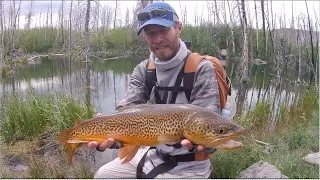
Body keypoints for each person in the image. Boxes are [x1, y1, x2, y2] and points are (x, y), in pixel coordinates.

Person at [88, 2, 221, 178]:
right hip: (151, 154)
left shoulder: (201, 68)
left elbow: (211, 129)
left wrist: (206, 143)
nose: (158, 39)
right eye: (151, 34)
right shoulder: (143, 70)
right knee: (103, 175)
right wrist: (108, 135)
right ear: (144, 36)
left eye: (164, 31)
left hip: (191, 164)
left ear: (178, 28)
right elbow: (127, 114)